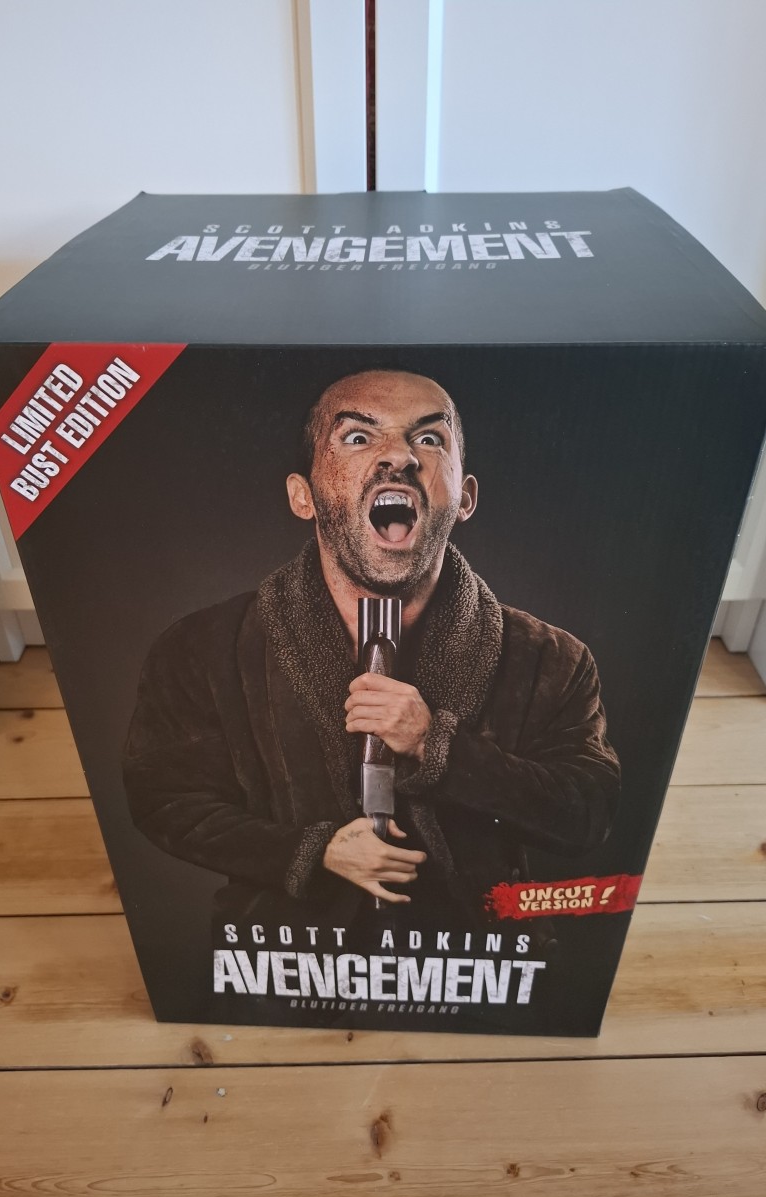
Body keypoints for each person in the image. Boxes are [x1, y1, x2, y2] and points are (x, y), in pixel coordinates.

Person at [123, 370, 620, 934]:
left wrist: (438, 746)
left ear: (465, 498)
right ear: (303, 496)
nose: (400, 457)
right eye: (358, 437)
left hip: (477, 957)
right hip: (286, 958)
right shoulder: (203, 648)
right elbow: (164, 797)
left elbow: (588, 811)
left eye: (428, 438)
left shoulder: (551, 659)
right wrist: (312, 853)